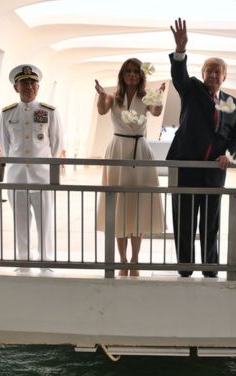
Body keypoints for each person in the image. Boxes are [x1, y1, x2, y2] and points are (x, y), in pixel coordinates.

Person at [168, 18, 236, 278]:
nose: (212, 75)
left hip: (214, 171)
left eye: (217, 72)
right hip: (187, 168)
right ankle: (186, 267)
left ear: (224, 76)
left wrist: (230, 155)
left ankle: (210, 267)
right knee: (185, 220)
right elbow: (178, 76)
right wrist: (180, 50)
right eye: (209, 71)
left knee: (211, 221)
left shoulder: (230, 102)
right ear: (202, 74)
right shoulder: (191, 89)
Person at [95, 58, 166, 277]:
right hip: (117, 150)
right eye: (128, 71)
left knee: (138, 205)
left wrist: (158, 96)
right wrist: (100, 94)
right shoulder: (112, 97)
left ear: (141, 75)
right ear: (122, 74)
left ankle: (135, 258)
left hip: (140, 151)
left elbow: (155, 111)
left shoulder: (146, 96)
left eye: (136, 71)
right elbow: (101, 110)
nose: (132, 74)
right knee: (118, 206)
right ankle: (122, 259)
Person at [0, 64, 64, 264]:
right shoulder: (8, 114)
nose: (29, 86)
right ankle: (23, 258)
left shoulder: (49, 111)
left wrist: (46, 167)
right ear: (16, 87)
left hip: (41, 177)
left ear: (38, 86)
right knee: (21, 221)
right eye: (24, 82)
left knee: (44, 221)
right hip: (17, 177)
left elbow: (57, 143)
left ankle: (45, 258)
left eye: (33, 82)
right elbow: (4, 144)